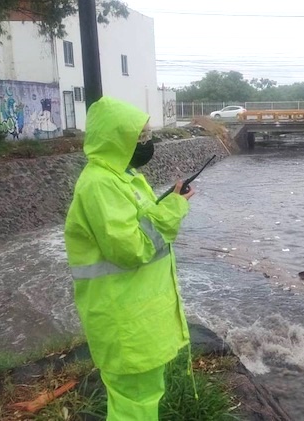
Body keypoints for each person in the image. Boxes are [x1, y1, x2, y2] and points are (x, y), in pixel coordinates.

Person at [63, 96, 194, 420]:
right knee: (134, 405)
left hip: (136, 318)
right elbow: (132, 248)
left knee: (140, 399)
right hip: (124, 322)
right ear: (116, 139)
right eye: (140, 137)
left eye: (147, 135)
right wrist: (174, 210)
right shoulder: (99, 185)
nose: (147, 143)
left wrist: (169, 203)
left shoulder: (125, 177)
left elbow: (143, 223)